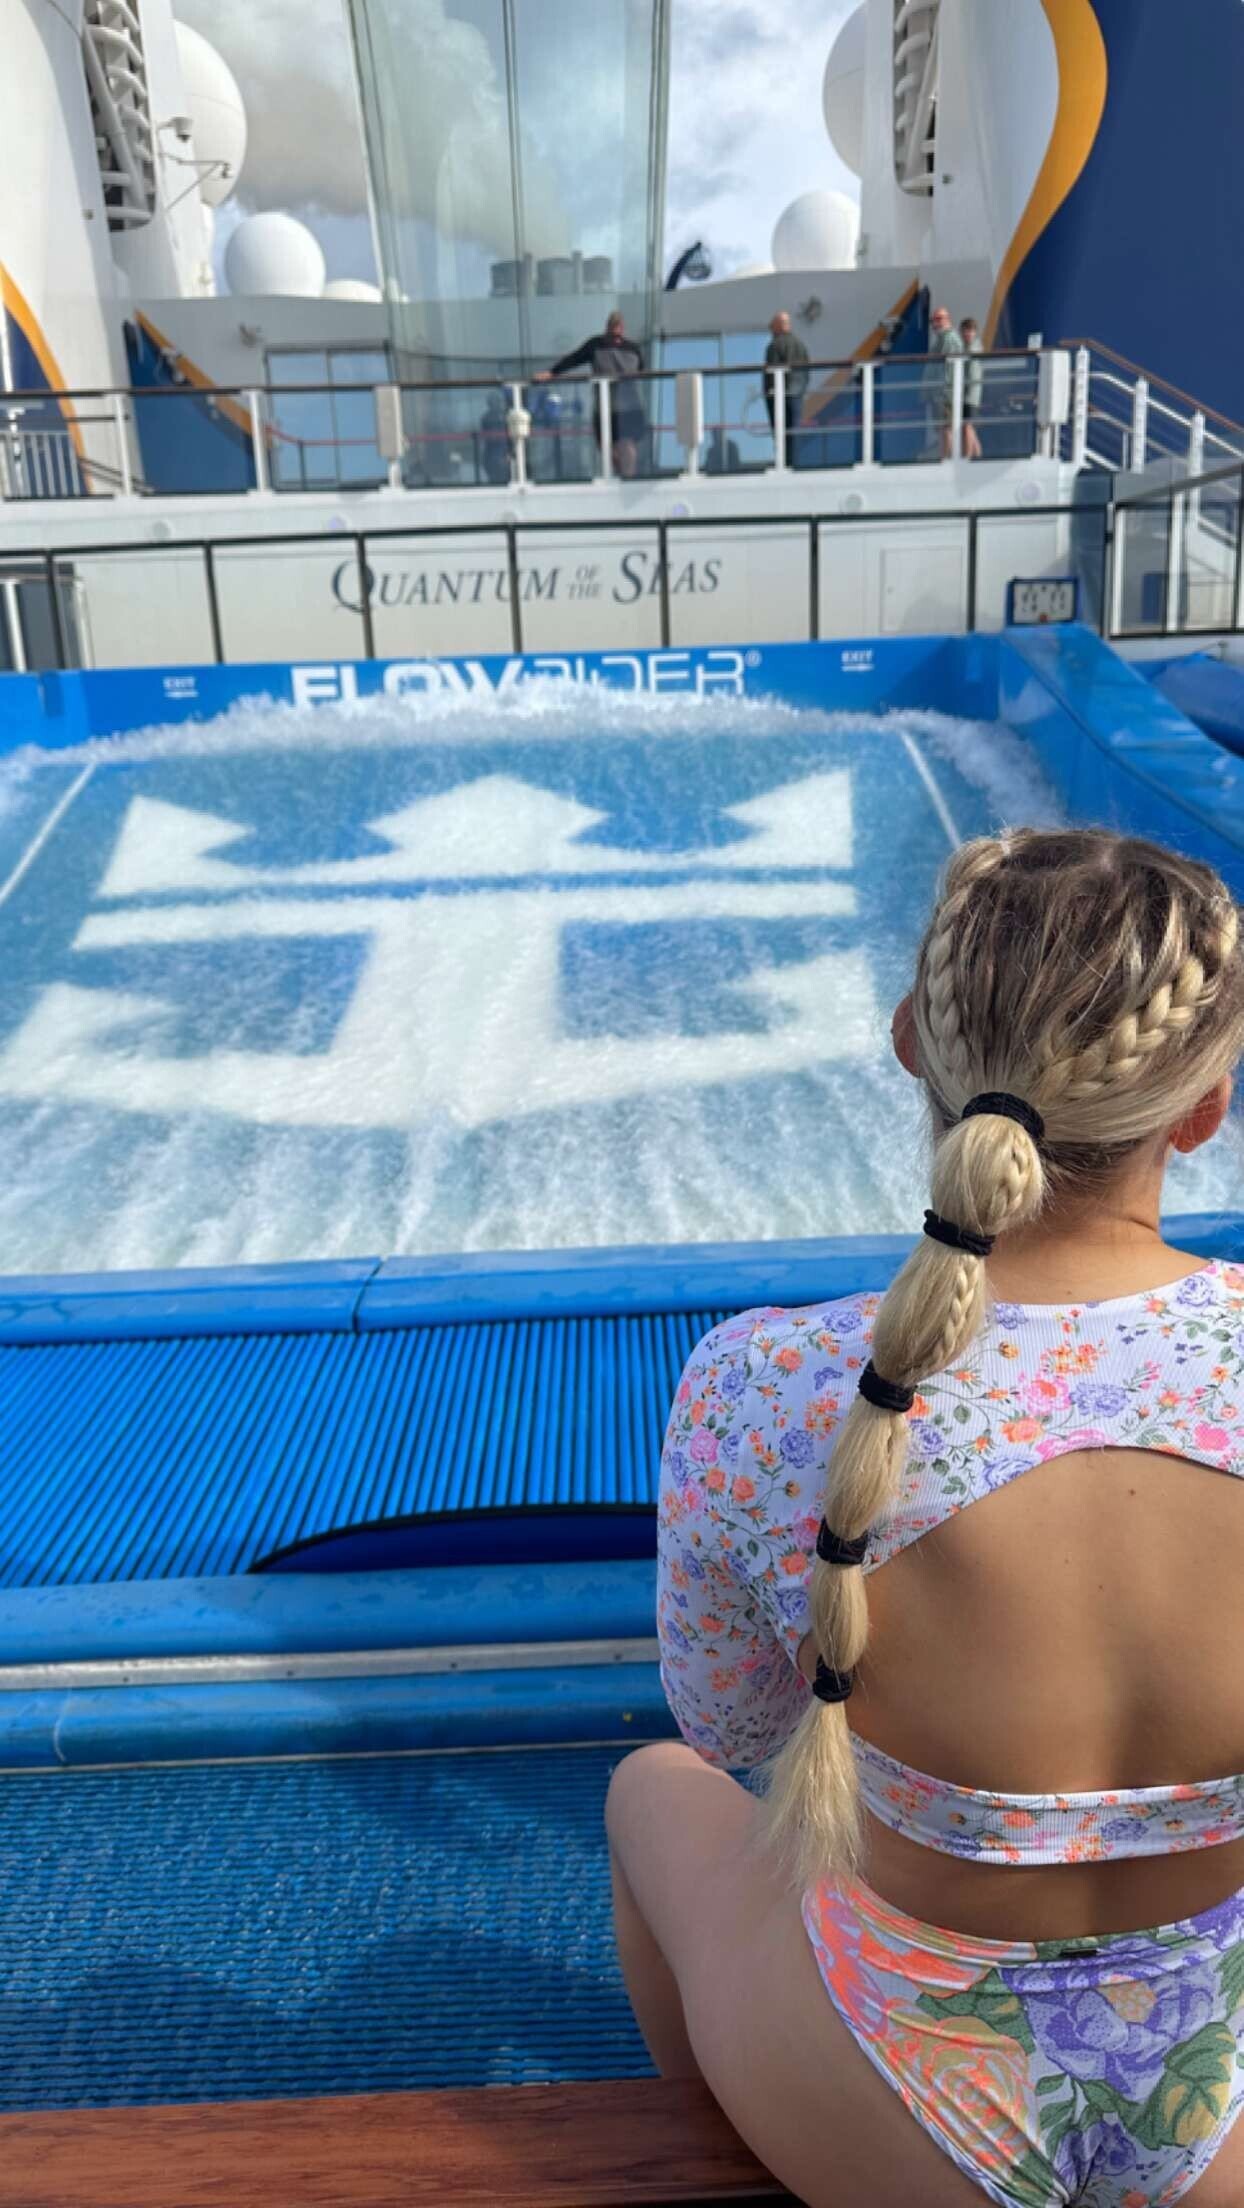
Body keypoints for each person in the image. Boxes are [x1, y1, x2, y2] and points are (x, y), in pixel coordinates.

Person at [607, 827, 1244, 2208]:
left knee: (652, 1790)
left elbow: (732, 1731)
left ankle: (700, 2160)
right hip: (1226, 2078)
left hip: (887, 2098)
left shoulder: (770, 1381)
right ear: (1202, 1107)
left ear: (912, 1041)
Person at [534, 310, 647, 478]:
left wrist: (552, 372)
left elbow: (642, 372)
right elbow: (574, 359)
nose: (615, 337)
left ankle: (627, 477)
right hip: (616, 406)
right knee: (608, 444)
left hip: (623, 407)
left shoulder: (624, 348)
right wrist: (552, 372)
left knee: (623, 443)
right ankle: (624, 475)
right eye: (613, 331)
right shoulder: (607, 346)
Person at [763, 310, 810, 465]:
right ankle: (793, 463)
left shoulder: (774, 345)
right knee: (793, 433)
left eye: (772, 326)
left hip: (779, 397)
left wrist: (769, 393)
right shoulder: (800, 345)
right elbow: (806, 371)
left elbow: (772, 374)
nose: (771, 330)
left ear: (778, 326)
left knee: (780, 433)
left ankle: (784, 463)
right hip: (797, 395)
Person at [926, 302, 965, 459]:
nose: (935, 323)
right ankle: (945, 457)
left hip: (946, 393)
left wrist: (943, 391)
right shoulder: (941, 339)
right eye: (933, 320)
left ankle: (948, 459)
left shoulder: (949, 339)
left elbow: (947, 369)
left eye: (939, 319)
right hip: (940, 392)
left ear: (948, 319)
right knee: (943, 428)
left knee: (946, 428)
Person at [960, 316, 985, 459]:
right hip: (965, 393)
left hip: (971, 394)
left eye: (970, 331)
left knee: (967, 426)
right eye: (965, 331)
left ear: (975, 332)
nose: (967, 334)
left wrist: (967, 389)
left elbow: (973, 374)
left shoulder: (974, 348)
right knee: (968, 427)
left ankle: (968, 457)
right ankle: (978, 456)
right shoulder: (964, 347)